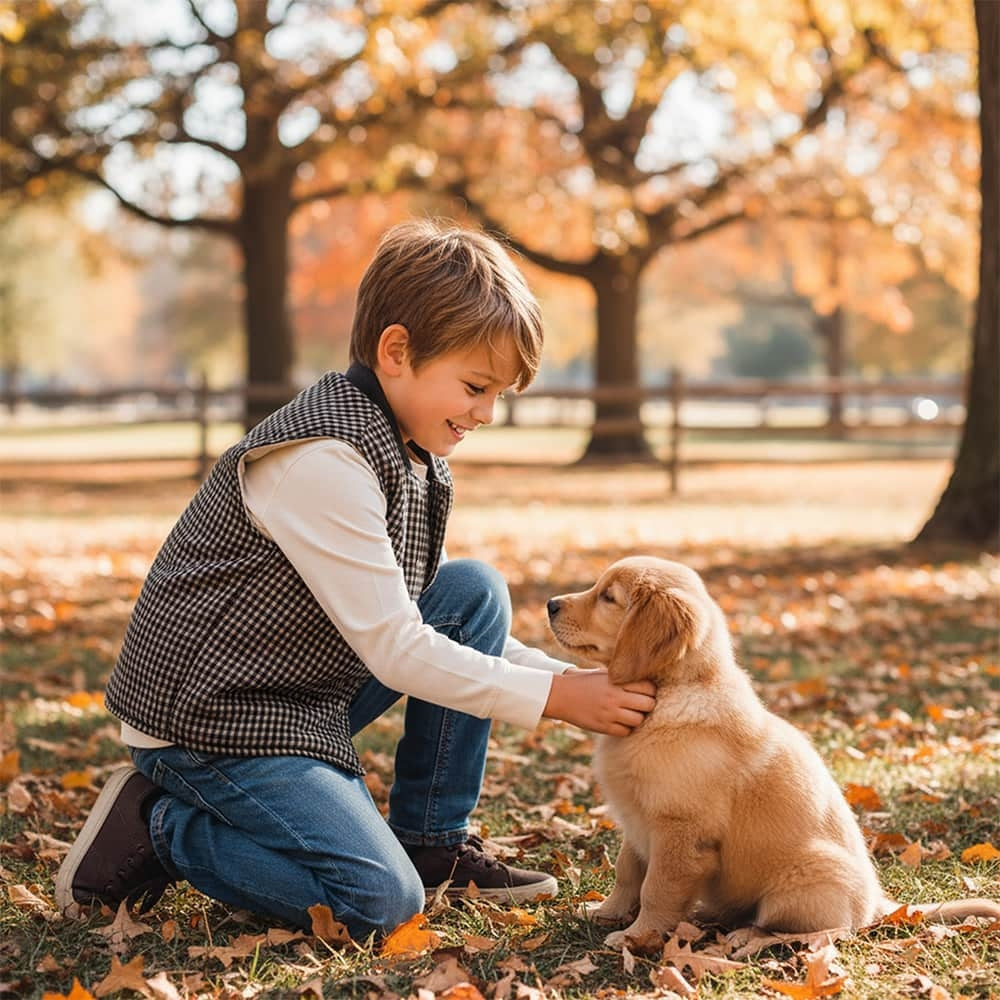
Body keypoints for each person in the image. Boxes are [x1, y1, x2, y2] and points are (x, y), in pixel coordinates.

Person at [54, 219, 657, 941]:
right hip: (211, 721)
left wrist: (565, 676)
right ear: (396, 351)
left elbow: (424, 627)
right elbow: (400, 649)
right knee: (378, 902)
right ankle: (161, 825)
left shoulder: (411, 446)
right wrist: (558, 696)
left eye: (499, 394)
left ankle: (432, 841)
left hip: (291, 690)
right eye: (474, 386)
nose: (487, 414)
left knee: (471, 593)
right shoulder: (322, 460)